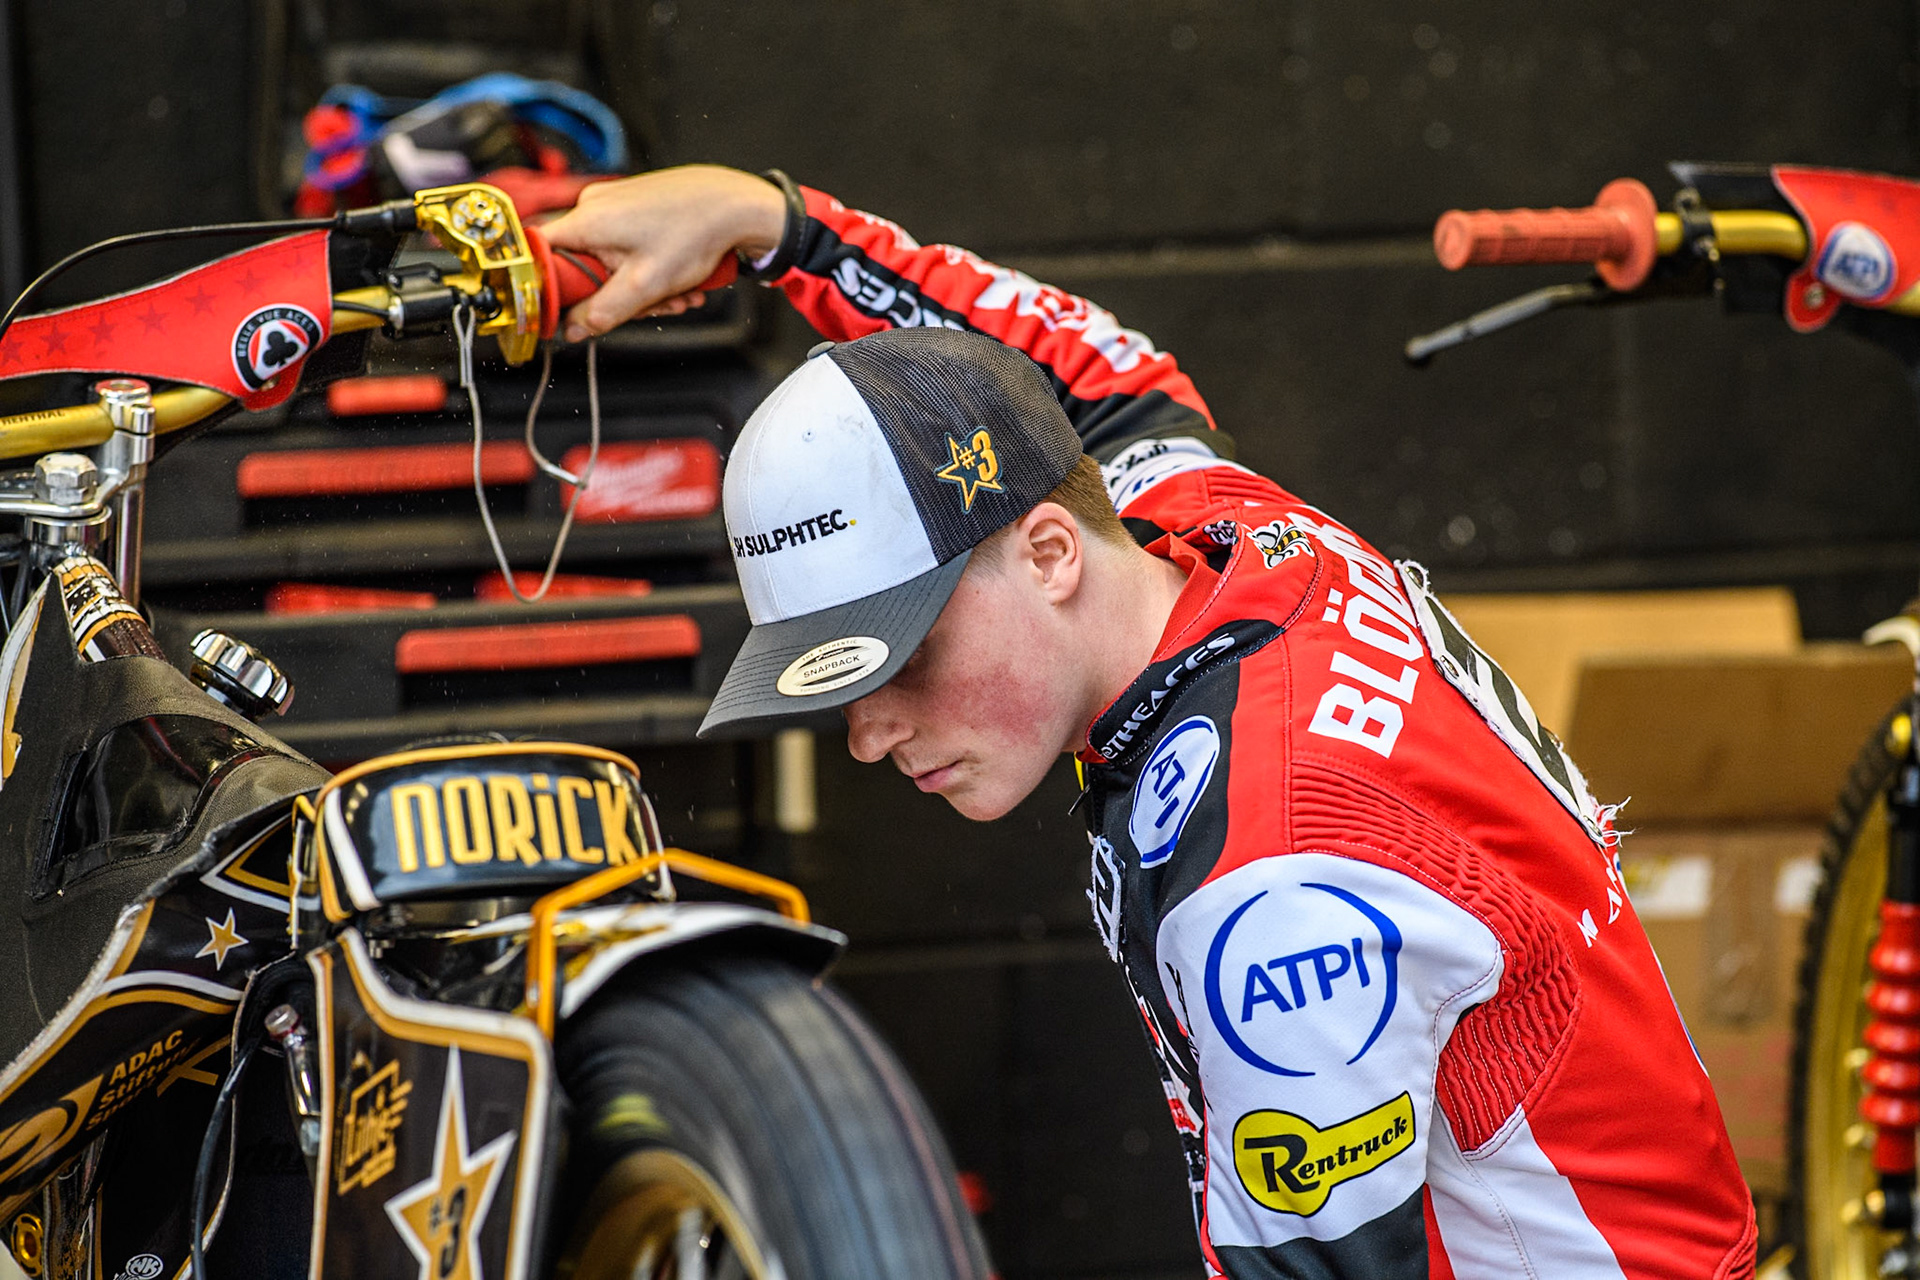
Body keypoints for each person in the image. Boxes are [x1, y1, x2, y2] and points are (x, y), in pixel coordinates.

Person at [541, 165, 1758, 1279]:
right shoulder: (1191, 513)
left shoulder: (1270, 890)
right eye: (836, 683)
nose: (868, 734)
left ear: (1051, 552)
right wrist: (774, 224)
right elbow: (1074, 367)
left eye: (899, 656)